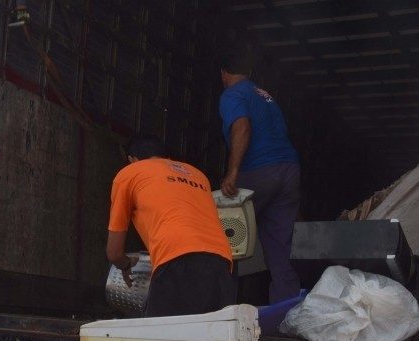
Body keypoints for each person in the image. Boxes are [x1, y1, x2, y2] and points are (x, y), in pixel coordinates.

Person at [106, 134, 234, 317]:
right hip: (221, 261)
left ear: (131, 160)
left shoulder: (130, 173)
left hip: (176, 259)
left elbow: (114, 252)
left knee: (163, 339)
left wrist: (125, 265)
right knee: (211, 339)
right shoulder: (198, 175)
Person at [219, 49, 301, 304]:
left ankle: (222, 309)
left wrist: (232, 172)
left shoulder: (232, 94)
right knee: (279, 247)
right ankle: (286, 313)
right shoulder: (265, 96)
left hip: (259, 171)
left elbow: (242, 126)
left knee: (225, 239)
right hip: (288, 171)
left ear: (223, 73)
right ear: (250, 73)